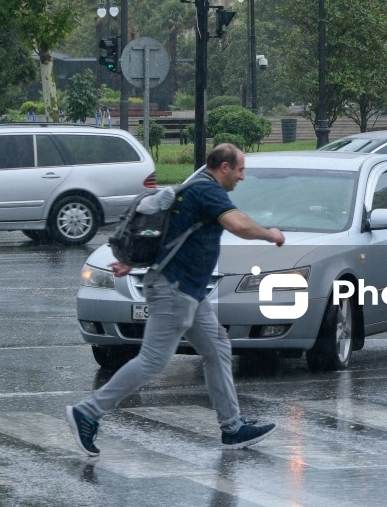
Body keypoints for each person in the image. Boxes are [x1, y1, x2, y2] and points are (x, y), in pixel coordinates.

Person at [66, 143, 287, 455]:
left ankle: (233, 427)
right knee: (152, 361)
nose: (242, 177)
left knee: (217, 349)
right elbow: (237, 224)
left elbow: (170, 236)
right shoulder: (208, 192)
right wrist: (270, 234)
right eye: (239, 170)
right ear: (223, 167)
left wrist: (135, 262)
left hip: (190, 293)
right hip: (175, 291)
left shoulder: (192, 189)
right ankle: (87, 412)